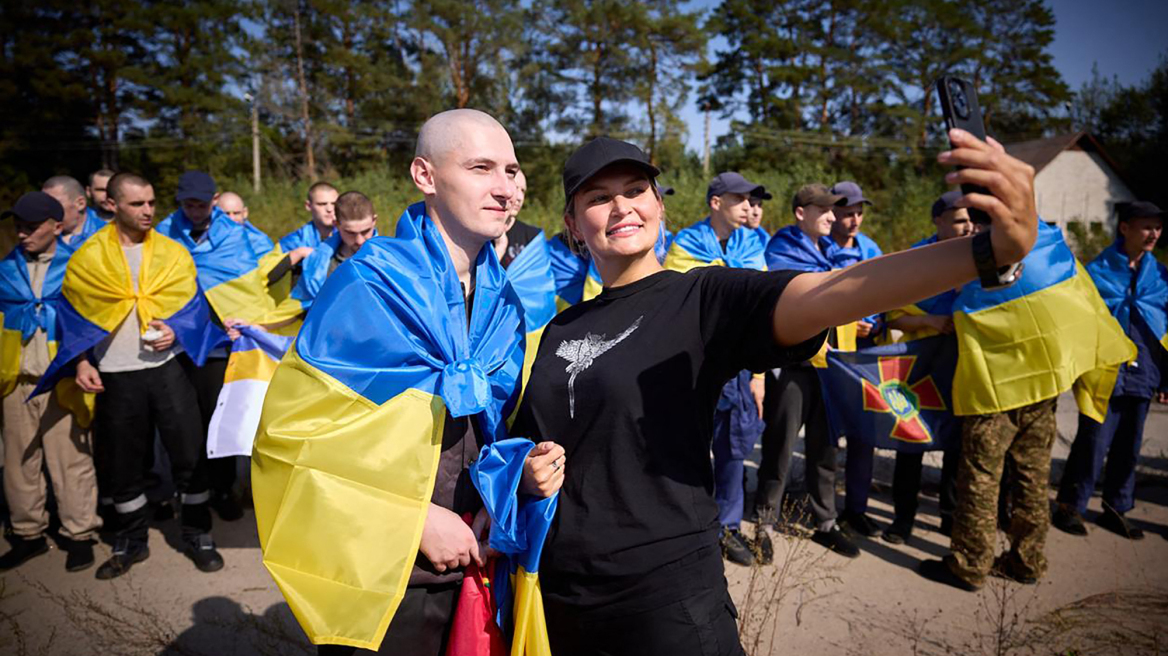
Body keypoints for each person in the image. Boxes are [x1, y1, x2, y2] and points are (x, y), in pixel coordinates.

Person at [510, 131, 1039, 656]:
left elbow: (835, 291)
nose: (621, 206)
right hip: (562, 596)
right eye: (599, 198)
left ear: (658, 205)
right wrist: (529, 473)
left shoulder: (701, 297)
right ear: (573, 225)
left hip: (663, 599)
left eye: (635, 190)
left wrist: (987, 252)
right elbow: (532, 441)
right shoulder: (562, 329)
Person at [252, 109, 563, 655]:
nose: (505, 189)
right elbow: (296, 438)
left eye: (511, 171)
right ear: (425, 176)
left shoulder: (503, 302)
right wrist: (413, 520)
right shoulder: (368, 285)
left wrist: (505, 490)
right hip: (385, 566)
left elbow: (493, 427)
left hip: (476, 553)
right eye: (481, 167)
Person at [919, 209, 1135, 592]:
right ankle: (1027, 561)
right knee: (1032, 479)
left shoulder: (977, 257)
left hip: (994, 391)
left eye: (975, 223)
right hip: (1042, 389)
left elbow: (958, 304)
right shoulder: (1047, 247)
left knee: (982, 480)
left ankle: (970, 565)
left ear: (984, 223)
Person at [34, 172, 225, 579]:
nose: (148, 211)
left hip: (168, 370)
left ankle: (197, 532)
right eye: (137, 204)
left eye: (152, 202)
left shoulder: (172, 253)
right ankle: (131, 540)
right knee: (123, 462)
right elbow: (73, 315)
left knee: (190, 453)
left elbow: (194, 309)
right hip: (117, 375)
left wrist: (177, 329)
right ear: (112, 206)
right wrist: (82, 362)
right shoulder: (88, 258)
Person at [155, 171, 281, 522]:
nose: (194, 210)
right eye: (187, 204)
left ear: (214, 199)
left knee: (217, 416)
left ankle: (223, 489)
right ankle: (188, 491)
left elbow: (262, 281)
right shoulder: (164, 233)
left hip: (223, 344)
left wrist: (254, 322)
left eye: (200, 203)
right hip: (177, 342)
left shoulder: (238, 235)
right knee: (181, 422)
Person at [664, 171, 771, 567]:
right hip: (693, 362)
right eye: (739, 198)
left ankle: (727, 525)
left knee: (733, 450)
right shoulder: (687, 243)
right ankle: (685, 523)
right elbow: (679, 301)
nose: (748, 206)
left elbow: (762, 310)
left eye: (751, 199)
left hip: (741, 366)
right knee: (687, 446)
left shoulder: (753, 244)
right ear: (716, 203)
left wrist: (759, 376)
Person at [753, 183, 861, 558]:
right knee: (781, 444)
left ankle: (825, 521)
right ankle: (765, 521)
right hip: (795, 366)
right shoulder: (782, 251)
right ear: (802, 213)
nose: (833, 217)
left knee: (825, 447)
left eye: (835, 210)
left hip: (832, 368)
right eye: (825, 210)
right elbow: (789, 303)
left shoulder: (831, 253)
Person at [0, 192, 101, 573]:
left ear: (56, 227)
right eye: (18, 227)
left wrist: (83, 363)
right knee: (18, 459)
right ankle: (28, 533)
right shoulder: (5, 270)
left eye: (32, 227)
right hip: (16, 379)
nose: (23, 234)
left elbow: (90, 322)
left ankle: (79, 534)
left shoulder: (77, 268)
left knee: (71, 458)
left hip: (63, 377)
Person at [1054, 200, 1167, 540]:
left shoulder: (1161, 276)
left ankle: (1117, 509)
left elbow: (1165, 327)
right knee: (1093, 441)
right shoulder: (1096, 271)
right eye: (1146, 226)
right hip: (1104, 370)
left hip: (1144, 369)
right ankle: (1070, 506)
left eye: (1158, 228)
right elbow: (1077, 322)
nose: (1154, 234)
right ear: (1125, 228)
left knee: (1129, 445)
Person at [879, 191, 972, 544]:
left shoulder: (982, 260)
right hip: (917, 367)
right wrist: (931, 321)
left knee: (957, 445)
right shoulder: (915, 259)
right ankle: (902, 519)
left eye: (971, 220)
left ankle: (949, 516)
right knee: (911, 441)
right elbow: (891, 314)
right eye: (960, 220)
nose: (968, 227)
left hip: (963, 366)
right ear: (939, 220)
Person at [824, 181, 888, 539]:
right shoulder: (823, 249)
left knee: (865, 435)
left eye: (860, 213)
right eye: (848, 213)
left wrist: (874, 323)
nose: (855, 220)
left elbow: (884, 293)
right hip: (832, 357)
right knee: (828, 434)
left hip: (864, 356)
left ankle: (857, 509)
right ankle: (825, 510)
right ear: (833, 213)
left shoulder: (871, 248)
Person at [42, 176, 106, 250]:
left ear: (80, 203)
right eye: (43, 204)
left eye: (54, 204)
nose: (46, 209)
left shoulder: (107, 235)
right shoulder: (37, 235)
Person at [278, 181, 339, 252]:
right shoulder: (292, 243)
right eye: (322, 204)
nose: (329, 209)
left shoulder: (349, 238)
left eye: (334, 204)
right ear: (308, 206)